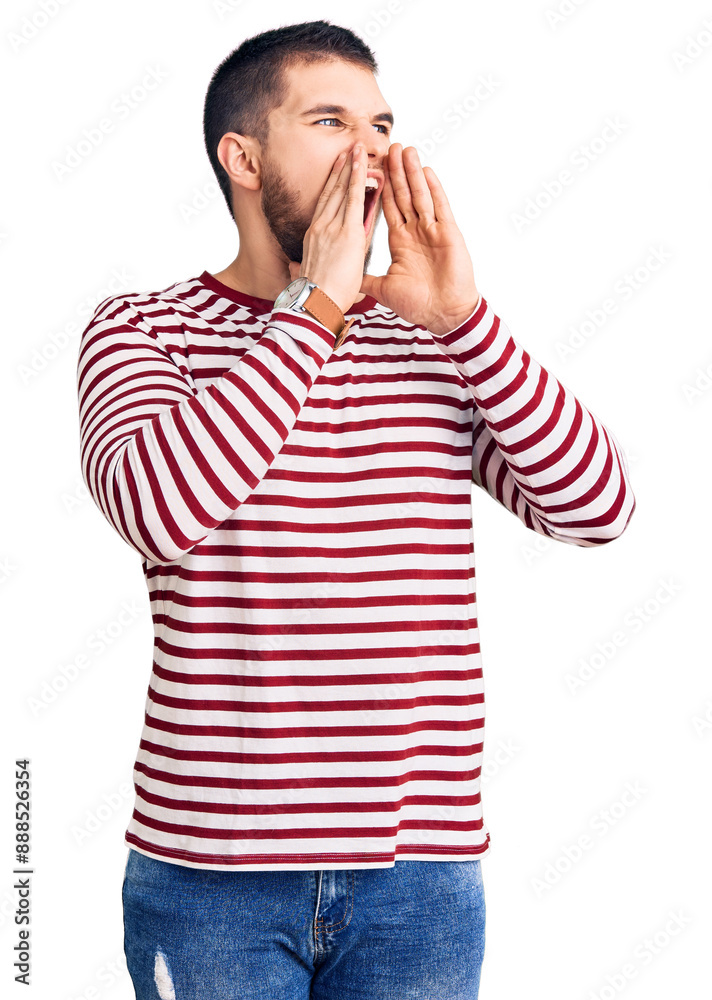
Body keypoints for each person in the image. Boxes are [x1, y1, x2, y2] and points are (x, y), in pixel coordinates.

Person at [75, 19, 636, 1000]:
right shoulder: (144, 329)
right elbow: (159, 511)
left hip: (420, 877)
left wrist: (464, 320)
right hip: (208, 877)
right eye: (330, 121)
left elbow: (596, 507)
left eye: (381, 125)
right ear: (243, 158)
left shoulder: (429, 339)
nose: (371, 150)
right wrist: (317, 311)